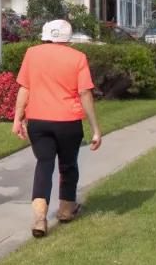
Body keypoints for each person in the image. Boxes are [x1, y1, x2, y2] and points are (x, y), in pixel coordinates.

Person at [12, 18, 102, 237]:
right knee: (68, 165)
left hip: (39, 121)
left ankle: (39, 218)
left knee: (44, 164)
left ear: (45, 35)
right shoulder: (78, 58)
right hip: (68, 122)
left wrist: (17, 118)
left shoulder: (32, 53)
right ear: (67, 37)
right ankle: (65, 209)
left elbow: (25, 88)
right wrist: (95, 128)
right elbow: (84, 93)